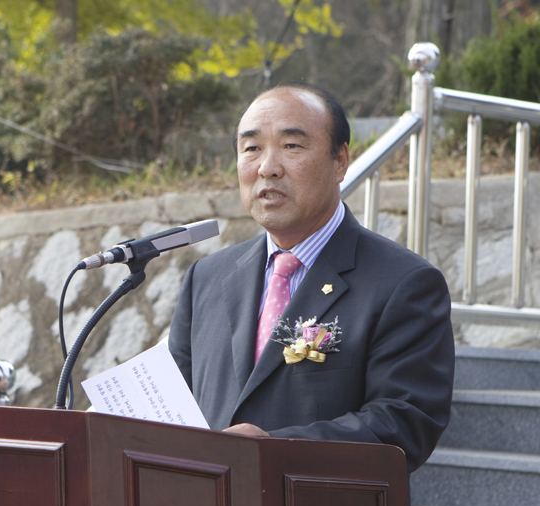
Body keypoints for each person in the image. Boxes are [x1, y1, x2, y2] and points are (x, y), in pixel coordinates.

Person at [167, 83, 454, 473]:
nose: (267, 167)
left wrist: (273, 449)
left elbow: (403, 423)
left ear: (340, 161)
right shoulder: (207, 276)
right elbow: (172, 402)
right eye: (251, 148)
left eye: (292, 146)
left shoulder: (403, 282)